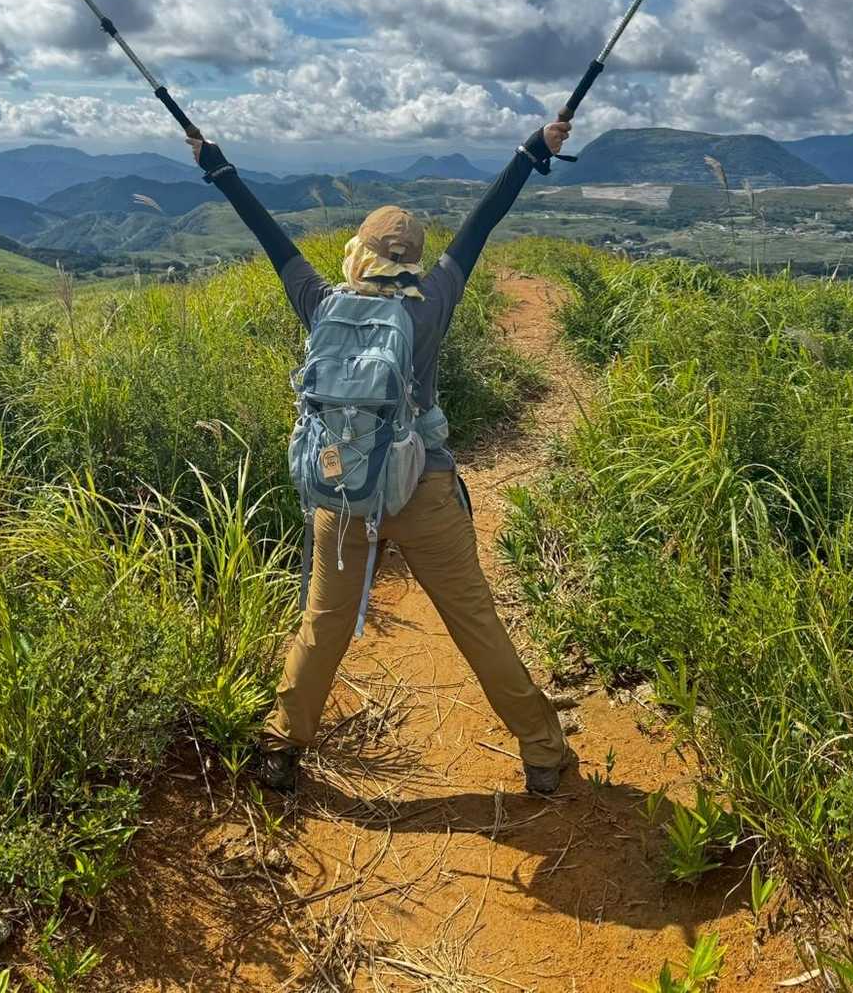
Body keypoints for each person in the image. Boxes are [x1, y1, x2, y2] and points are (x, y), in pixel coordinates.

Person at [186, 119, 577, 797]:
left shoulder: (321, 303)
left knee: (322, 623)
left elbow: (269, 235)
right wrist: (531, 151)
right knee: (474, 622)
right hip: (422, 487)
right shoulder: (431, 303)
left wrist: (217, 166)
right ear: (414, 260)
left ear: (358, 255)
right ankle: (543, 754)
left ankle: (281, 748)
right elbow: (481, 223)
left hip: (342, 490)